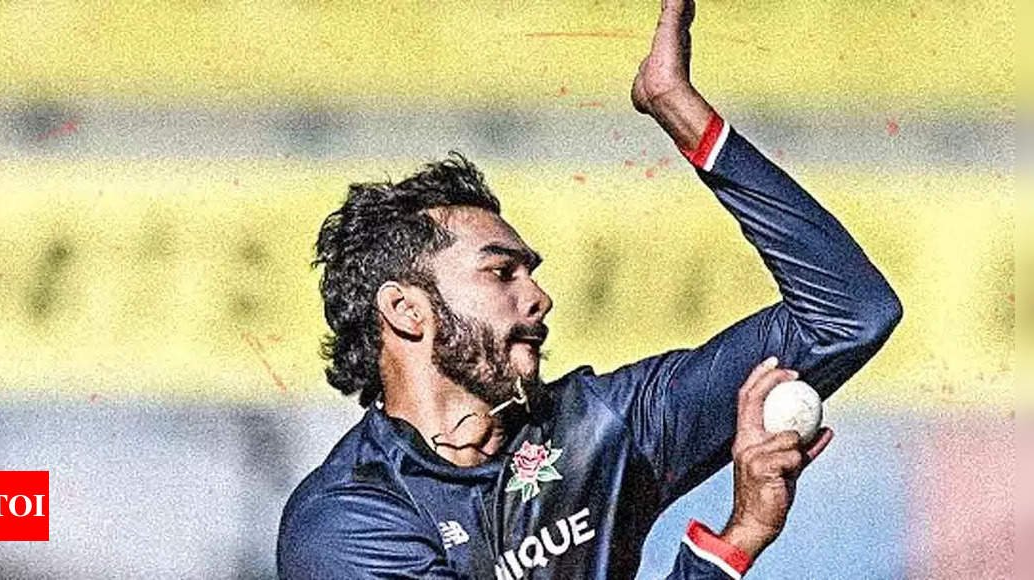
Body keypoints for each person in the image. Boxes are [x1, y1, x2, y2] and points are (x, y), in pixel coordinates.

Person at [277, 1, 902, 578]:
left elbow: (850, 314)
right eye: (501, 273)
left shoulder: (601, 427)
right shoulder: (346, 523)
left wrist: (683, 113)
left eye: (531, 272)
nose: (539, 297)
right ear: (406, 310)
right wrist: (734, 543)